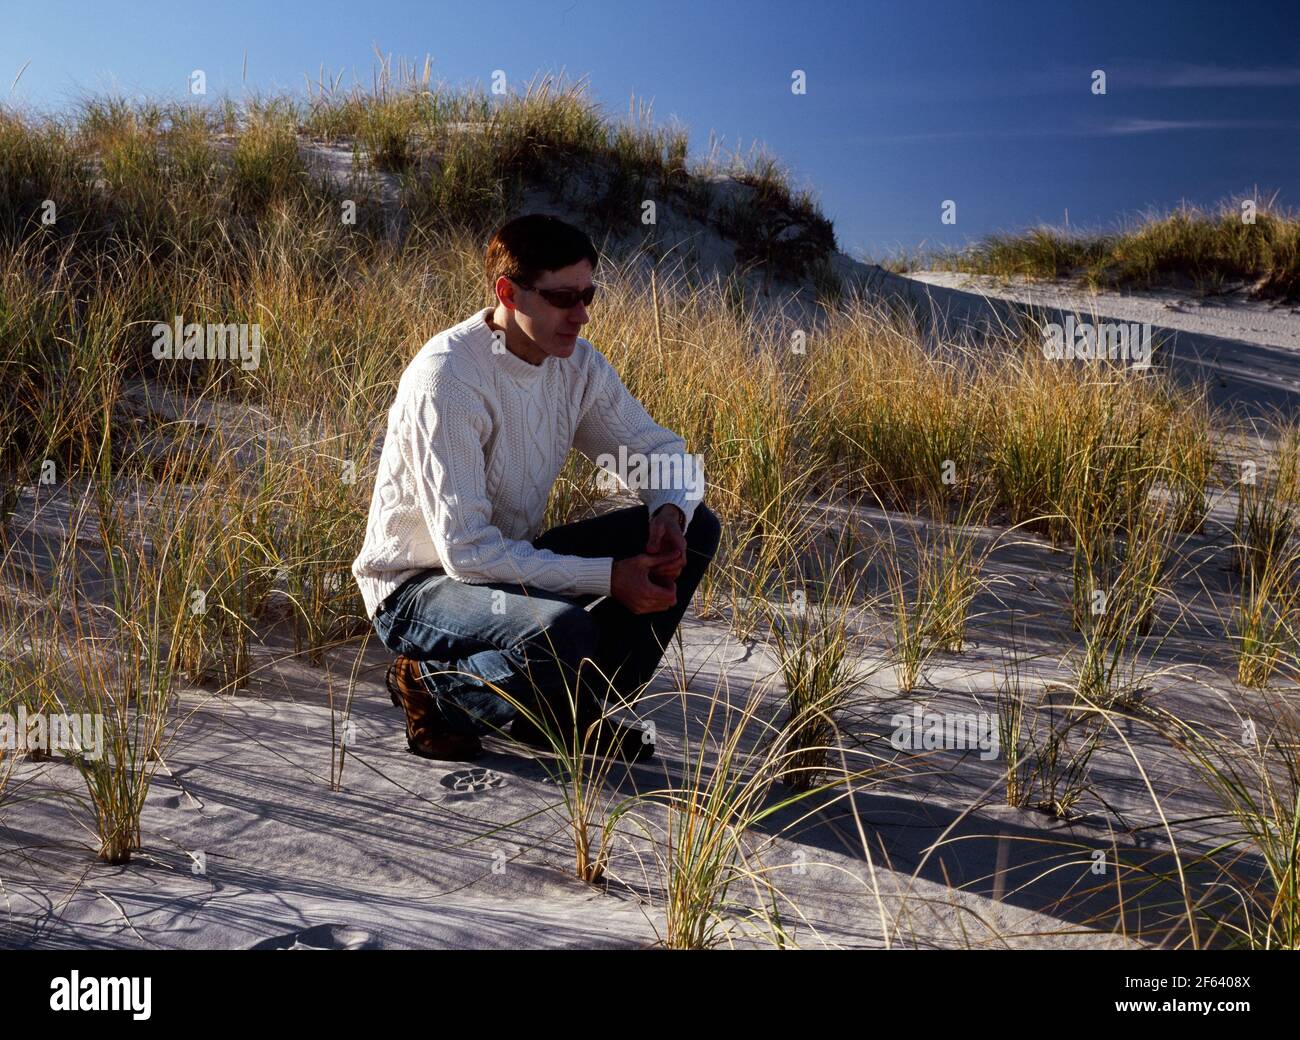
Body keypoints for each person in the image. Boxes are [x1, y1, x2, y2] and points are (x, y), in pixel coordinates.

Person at [351, 213, 721, 762]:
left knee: (697, 526)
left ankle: (570, 712)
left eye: (589, 294)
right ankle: (429, 687)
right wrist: (609, 579)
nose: (581, 315)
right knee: (565, 631)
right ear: (508, 292)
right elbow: (467, 552)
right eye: (562, 297)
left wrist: (668, 513)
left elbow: (660, 454)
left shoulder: (575, 367)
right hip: (419, 587)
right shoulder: (449, 377)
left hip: (506, 561)